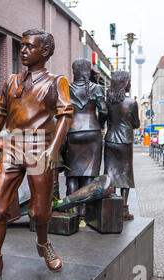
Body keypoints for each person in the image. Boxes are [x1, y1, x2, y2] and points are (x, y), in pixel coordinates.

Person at [0, 29, 74, 280]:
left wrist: (53, 149)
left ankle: (43, 242)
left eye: (30, 46)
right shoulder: (11, 81)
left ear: (46, 52)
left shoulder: (56, 81)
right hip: (12, 146)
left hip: (41, 148)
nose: (23, 50)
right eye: (21, 46)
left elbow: (65, 116)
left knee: (39, 213)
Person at [61, 59, 107, 216]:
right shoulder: (97, 89)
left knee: (72, 173)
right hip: (92, 132)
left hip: (72, 132)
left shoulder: (66, 89)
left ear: (74, 72)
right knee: (89, 174)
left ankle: (71, 209)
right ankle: (85, 211)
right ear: (88, 72)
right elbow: (104, 111)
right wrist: (99, 125)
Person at [103, 71, 140, 221]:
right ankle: (124, 208)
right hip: (125, 141)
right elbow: (136, 124)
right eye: (129, 81)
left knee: (110, 173)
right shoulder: (131, 103)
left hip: (110, 139)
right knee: (125, 174)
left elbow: (104, 119)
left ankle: (111, 207)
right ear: (124, 83)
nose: (130, 84)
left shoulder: (108, 102)